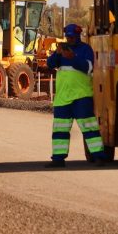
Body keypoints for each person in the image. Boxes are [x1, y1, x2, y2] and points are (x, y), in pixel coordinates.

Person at [45, 23, 106, 168]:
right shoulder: (62, 50)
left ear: (78, 36)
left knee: (89, 128)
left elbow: (89, 68)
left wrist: (73, 58)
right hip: (62, 97)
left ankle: (99, 157)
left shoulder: (85, 49)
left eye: (72, 37)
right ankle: (58, 159)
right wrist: (57, 54)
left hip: (81, 96)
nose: (69, 39)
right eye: (68, 37)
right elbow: (50, 64)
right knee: (60, 130)